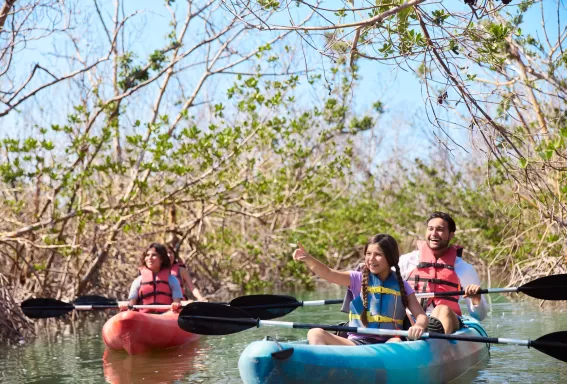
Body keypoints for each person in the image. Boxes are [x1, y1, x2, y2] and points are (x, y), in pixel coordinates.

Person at [293, 234, 428, 345]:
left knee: (395, 342)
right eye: (368, 253)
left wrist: (419, 326)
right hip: (357, 343)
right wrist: (308, 259)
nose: (371, 259)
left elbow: (421, 315)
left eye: (378, 254)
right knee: (315, 333)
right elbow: (328, 273)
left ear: (390, 258)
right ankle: (322, 370)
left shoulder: (402, 285)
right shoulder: (356, 278)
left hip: (390, 342)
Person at [399, 212, 488, 334]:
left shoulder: (464, 269)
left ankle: (437, 346)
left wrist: (476, 299)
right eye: (430, 229)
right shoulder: (406, 261)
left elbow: (480, 316)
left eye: (440, 229)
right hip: (413, 319)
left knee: (442, 310)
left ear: (451, 235)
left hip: (447, 320)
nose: (434, 234)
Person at [119, 243, 184, 313]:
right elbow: (131, 306)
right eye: (147, 255)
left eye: (154, 255)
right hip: (144, 317)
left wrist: (175, 305)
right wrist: (125, 307)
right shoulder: (138, 281)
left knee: (174, 313)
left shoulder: (172, 280)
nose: (149, 258)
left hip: (166, 315)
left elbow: (177, 303)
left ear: (162, 259)